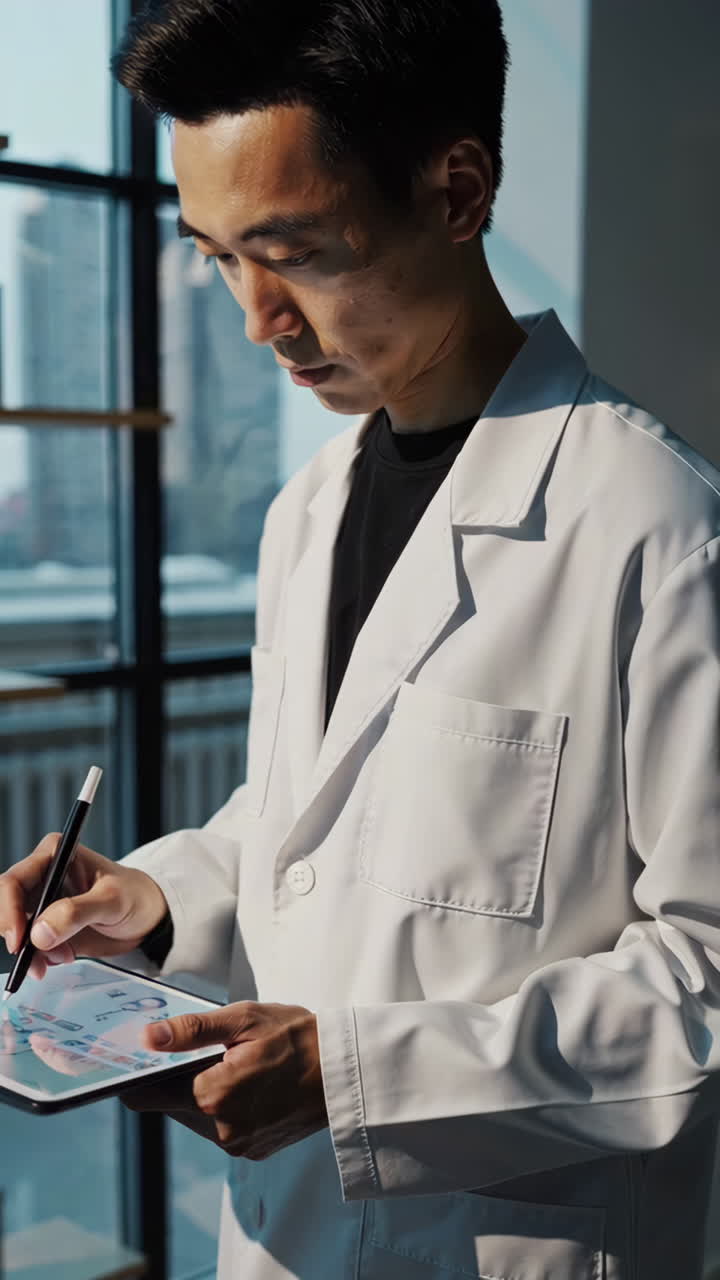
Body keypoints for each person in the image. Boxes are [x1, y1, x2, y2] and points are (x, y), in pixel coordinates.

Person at [1, 1, 719, 1276]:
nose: (256, 318)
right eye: (219, 255)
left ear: (457, 190)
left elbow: (704, 983)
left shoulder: (659, 528)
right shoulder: (306, 512)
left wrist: (357, 1077)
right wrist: (157, 899)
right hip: (280, 1238)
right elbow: (308, 830)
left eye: (295, 251)